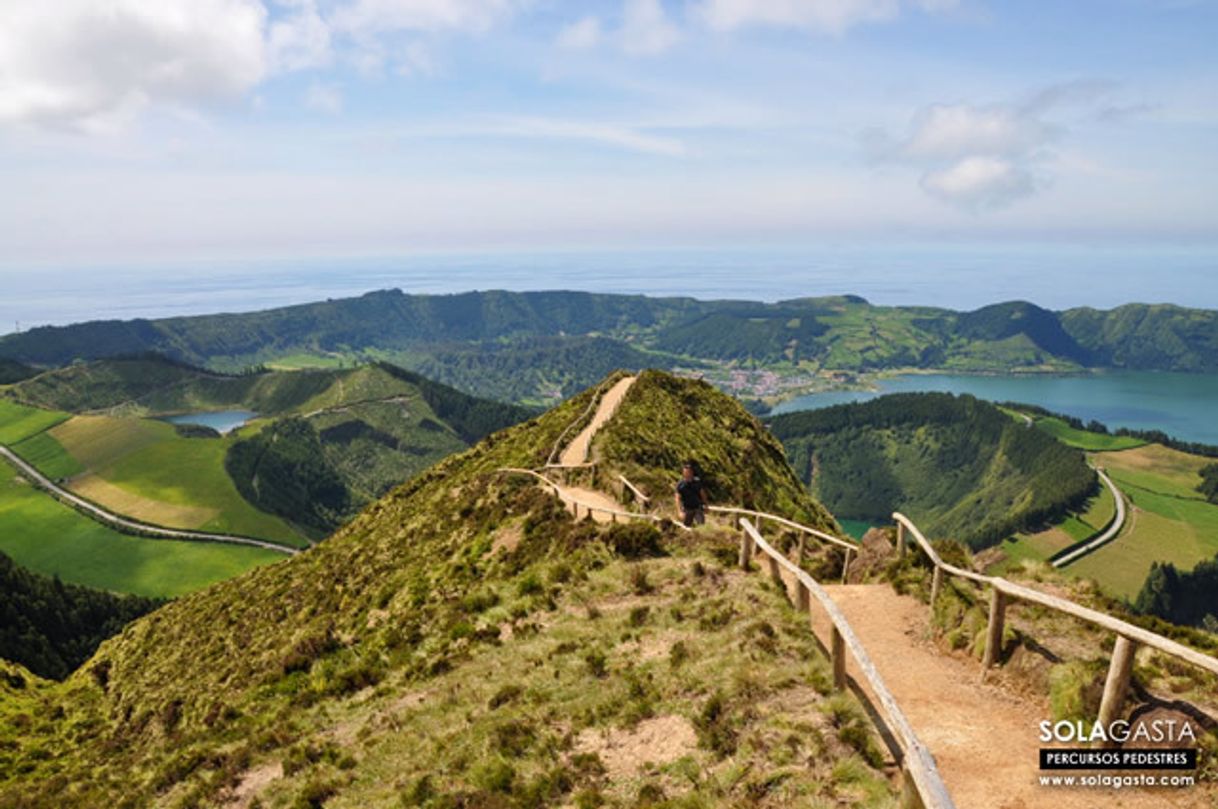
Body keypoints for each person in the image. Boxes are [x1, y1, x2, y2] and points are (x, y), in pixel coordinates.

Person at [675, 461, 708, 527]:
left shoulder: (697, 482)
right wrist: (679, 511)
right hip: (687, 509)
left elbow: (702, 494)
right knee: (686, 527)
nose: (687, 474)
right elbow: (677, 498)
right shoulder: (680, 484)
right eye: (685, 472)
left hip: (697, 508)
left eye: (688, 472)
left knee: (701, 525)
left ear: (692, 473)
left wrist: (706, 505)